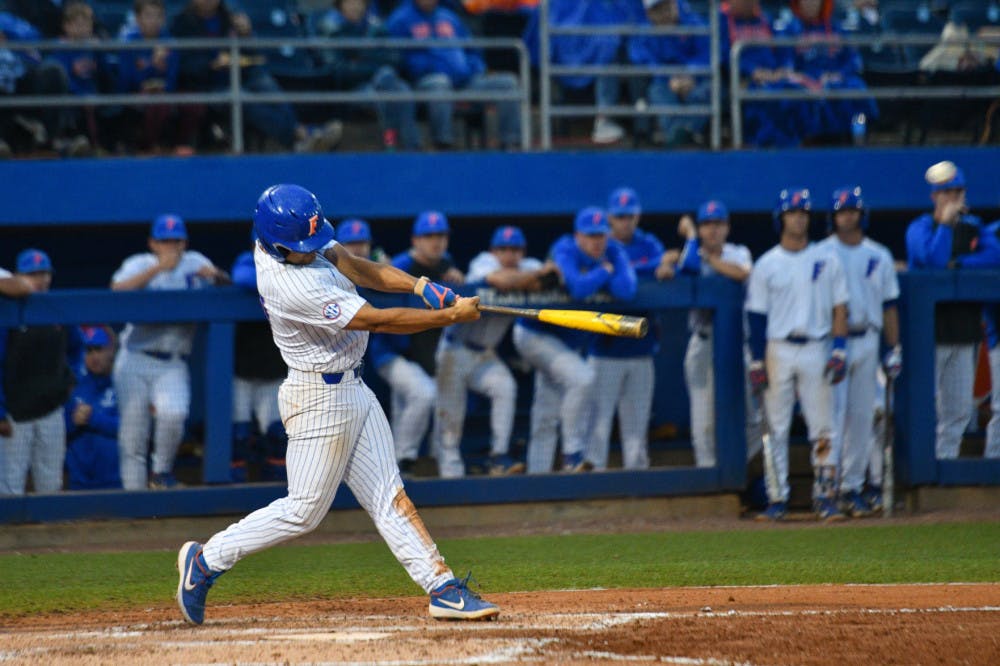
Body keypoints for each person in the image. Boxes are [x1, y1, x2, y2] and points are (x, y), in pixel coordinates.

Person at [175, 183, 499, 626]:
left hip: (352, 386)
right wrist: (448, 317)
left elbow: (355, 266)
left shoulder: (292, 238)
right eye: (303, 246)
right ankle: (206, 560)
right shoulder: (291, 284)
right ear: (278, 245)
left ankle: (442, 587)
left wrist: (421, 286)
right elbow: (377, 320)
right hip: (319, 399)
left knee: (388, 495)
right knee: (303, 512)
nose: (313, 249)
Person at [746, 188, 849, 521]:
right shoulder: (766, 264)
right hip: (778, 348)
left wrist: (839, 348)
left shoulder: (826, 258)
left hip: (817, 346)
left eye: (803, 213)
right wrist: (757, 360)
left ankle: (825, 496)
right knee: (775, 428)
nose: (798, 218)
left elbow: (840, 308)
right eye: (792, 213)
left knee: (823, 427)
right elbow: (756, 317)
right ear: (781, 219)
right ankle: (777, 499)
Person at [110, 213, 231, 490]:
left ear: (184, 242)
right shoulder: (140, 263)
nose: (171, 246)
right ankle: (134, 497)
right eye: (164, 241)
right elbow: (117, 290)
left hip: (172, 362)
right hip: (135, 357)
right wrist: (158, 269)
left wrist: (216, 276)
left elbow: (228, 287)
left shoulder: (195, 261)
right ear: (153, 243)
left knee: (174, 413)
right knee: (133, 435)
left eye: (176, 240)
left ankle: (160, 473)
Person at [513, 206, 636, 474]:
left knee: (546, 410)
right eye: (590, 235)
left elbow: (627, 290)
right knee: (582, 378)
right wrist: (604, 273)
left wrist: (599, 273)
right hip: (534, 334)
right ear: (578, 235)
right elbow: (578, 288)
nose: (596, 241)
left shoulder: (613, 250)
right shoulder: (565, 248)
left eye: (600, 235)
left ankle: (537, 475)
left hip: (565, 343)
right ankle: (572, 454)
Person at [436, 225, 559, 477]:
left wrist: (533, 277)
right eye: (503, 249)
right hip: (454, 350)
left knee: (506, 387)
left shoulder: (528, 266)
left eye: (515, 249)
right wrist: (532, 279)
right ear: (494, 251)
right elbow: (499, 281)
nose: (509, 254)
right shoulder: (483, 262)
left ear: (523, 252)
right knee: (450, 418)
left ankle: (498, 456)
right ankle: (450, 475)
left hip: (485, 355)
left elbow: (552, 276)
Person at [906, 161, 1000, 460]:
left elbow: (995, 256)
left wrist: (959, 264)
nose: (954, 197)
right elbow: (933, 261)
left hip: (964, 331)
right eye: (947, 192)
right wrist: (946, 226)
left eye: (958, 191)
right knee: (925, 408)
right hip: (927, 334)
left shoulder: (974, 226)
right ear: (934, 196)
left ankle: (945, 467)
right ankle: (921, 471)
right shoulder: (920, 227)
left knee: (958, 411)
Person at [817, 186, 901, 516]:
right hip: (831, 341)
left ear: (862, 214)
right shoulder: (821, 252)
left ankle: (852, 487)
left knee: (862, 418)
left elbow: (890, 306)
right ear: (833, 216)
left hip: (868, 338)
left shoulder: (879, 254)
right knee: (832, 419)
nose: (847, 216)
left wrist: (893, 348)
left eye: (852, 210)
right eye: (841, 211)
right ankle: (828, 488)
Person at [171, 0, 343, 153]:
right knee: (243, 99)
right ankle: (299, 137)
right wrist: (211, 64)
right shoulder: (182, 23)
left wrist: (247, 35)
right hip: (207, 87)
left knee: (264, 82)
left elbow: (252, 54)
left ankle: (299, 134)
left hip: (238, 76)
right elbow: (183, 65)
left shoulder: (229, 17)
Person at [670, 200, 760, 468]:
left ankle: (738, 470)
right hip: (703, 341)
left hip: (735, 344)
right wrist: (689, 241)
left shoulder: (738, 252)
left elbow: (741, 273)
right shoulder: (690, 253)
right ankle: (708, 471)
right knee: (703, 420)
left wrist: (708, 258)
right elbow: (681, 268)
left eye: (718, 224)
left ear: (727, 227)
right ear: (700, 229)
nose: (713, 229)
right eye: (707, 224)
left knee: (755, 415)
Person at [585, 188, 662, 471]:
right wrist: (643, 269)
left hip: (641, 351)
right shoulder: (599, 244)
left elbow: (662, 263)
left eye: (629, 216)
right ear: (610, 218)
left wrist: (624, 269)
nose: (625, 222)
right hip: (604, 352)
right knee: (597, 425)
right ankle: (592, 483)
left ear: (637, 216)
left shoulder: (648, 242)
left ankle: (638, 484)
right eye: (619, 217)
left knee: (637, 428)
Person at [387, 0, 523, 150]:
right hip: (423, 82)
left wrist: (472, 68)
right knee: (439, 83)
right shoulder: (400, 19)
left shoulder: (448, 16)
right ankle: (443, 145)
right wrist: (429, 68)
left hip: (465, 81)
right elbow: (397, 58)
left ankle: (511, 143)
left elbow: (472, 49)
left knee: (507, 83)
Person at [0, 250, 78, 495]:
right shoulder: (8, 312)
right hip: (15, 411)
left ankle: (52, 522)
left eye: (44, 273)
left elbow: (76, 348)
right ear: (18, 275)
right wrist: (0, 412)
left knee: (51, 479)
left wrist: (70, 381)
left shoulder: (58, 309)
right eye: (32, 274)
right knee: (10, 482)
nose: (40, 279)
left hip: (51, 408)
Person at [311, 0, 422, 151]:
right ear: (340, 4)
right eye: (351, 2)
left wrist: (360, 58)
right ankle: (396, 145)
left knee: (403, 91)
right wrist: (374, 65)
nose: (356, 7)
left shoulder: (375, 26)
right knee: (386, 91)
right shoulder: (330, 27)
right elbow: (339, 71)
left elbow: (395, 58)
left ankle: (408, 148)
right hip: (350, 89)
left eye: (360, 3)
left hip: (381, 82)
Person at [776, 0, 878, 143]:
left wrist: (838, 75)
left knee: (856, 89)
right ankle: (803, 141)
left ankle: (858, 134)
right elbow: (786, 64)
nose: (810, 4)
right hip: (803, 80)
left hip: (834, 78)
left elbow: (853, 61)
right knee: (792, 94)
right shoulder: (790, 30)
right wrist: (804, 79)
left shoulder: (837, 28)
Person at [231, 236, 288, 483]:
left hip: (273, 369)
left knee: (277, 435)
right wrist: (284, 282)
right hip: (241, 371)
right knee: (239, 436)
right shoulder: (247, 261)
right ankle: (232, 492)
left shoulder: (297, 262)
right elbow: (241, 278)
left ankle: (274, 491)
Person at [719, 0, 815, 147]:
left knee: (796, 91)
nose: (748, 3)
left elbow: (783, 49)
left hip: (773, 77)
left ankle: (801, 144)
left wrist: (783, 68)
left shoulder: (766, 19)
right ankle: (763, 146)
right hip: (744, 80)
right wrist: (751, 71)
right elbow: (723, 56)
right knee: (767, 99)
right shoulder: (722, 21)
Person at [118, 0, 202, 154]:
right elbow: (126, 79)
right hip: (135, 92)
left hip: (164, 91)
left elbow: (172, 78)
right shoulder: (128, 43)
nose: (154, 20)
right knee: (157, 102)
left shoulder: (169, 42)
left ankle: (180, 144)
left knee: (193, 103)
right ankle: (147, 146)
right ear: (138, 19)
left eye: (158, 16)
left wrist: (163, 83)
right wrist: (152, 65)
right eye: (149, 16)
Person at [628, 0, 711, 147]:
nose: (664, 13)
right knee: (657, 92)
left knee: (709, 90)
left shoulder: (693, 23)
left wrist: (690, 74)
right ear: (649, 13)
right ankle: (680, 138)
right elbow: (643, 60)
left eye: (667, 6)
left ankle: (681, 136)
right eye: (658, 10)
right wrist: (670, 78)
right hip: (664, 82)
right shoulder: (644, 32)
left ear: (674, 4)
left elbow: (707, 53)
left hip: (695, 80)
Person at [48, 1, 116, 156]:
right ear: (66, 26)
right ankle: (71, 144)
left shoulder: (92, 48)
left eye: (86, 24)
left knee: (111, 109)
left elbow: (106, 75)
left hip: (93, 96)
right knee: (73, 112)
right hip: (72, 98)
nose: (82, 29)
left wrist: (101, 52)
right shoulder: (60, 48)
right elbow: (62, 79)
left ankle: (101, 146)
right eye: (77, 25)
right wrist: (81, 97)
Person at [64, 325, 122, 490]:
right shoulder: (74, 386)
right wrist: (73, 421)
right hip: (80, 483)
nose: (94, 356)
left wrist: (93, 418)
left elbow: (130, 428)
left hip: (116, 482)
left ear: (111, 351)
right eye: (89, 351)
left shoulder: (122, 384)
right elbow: (59, 430)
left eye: (99, 349)